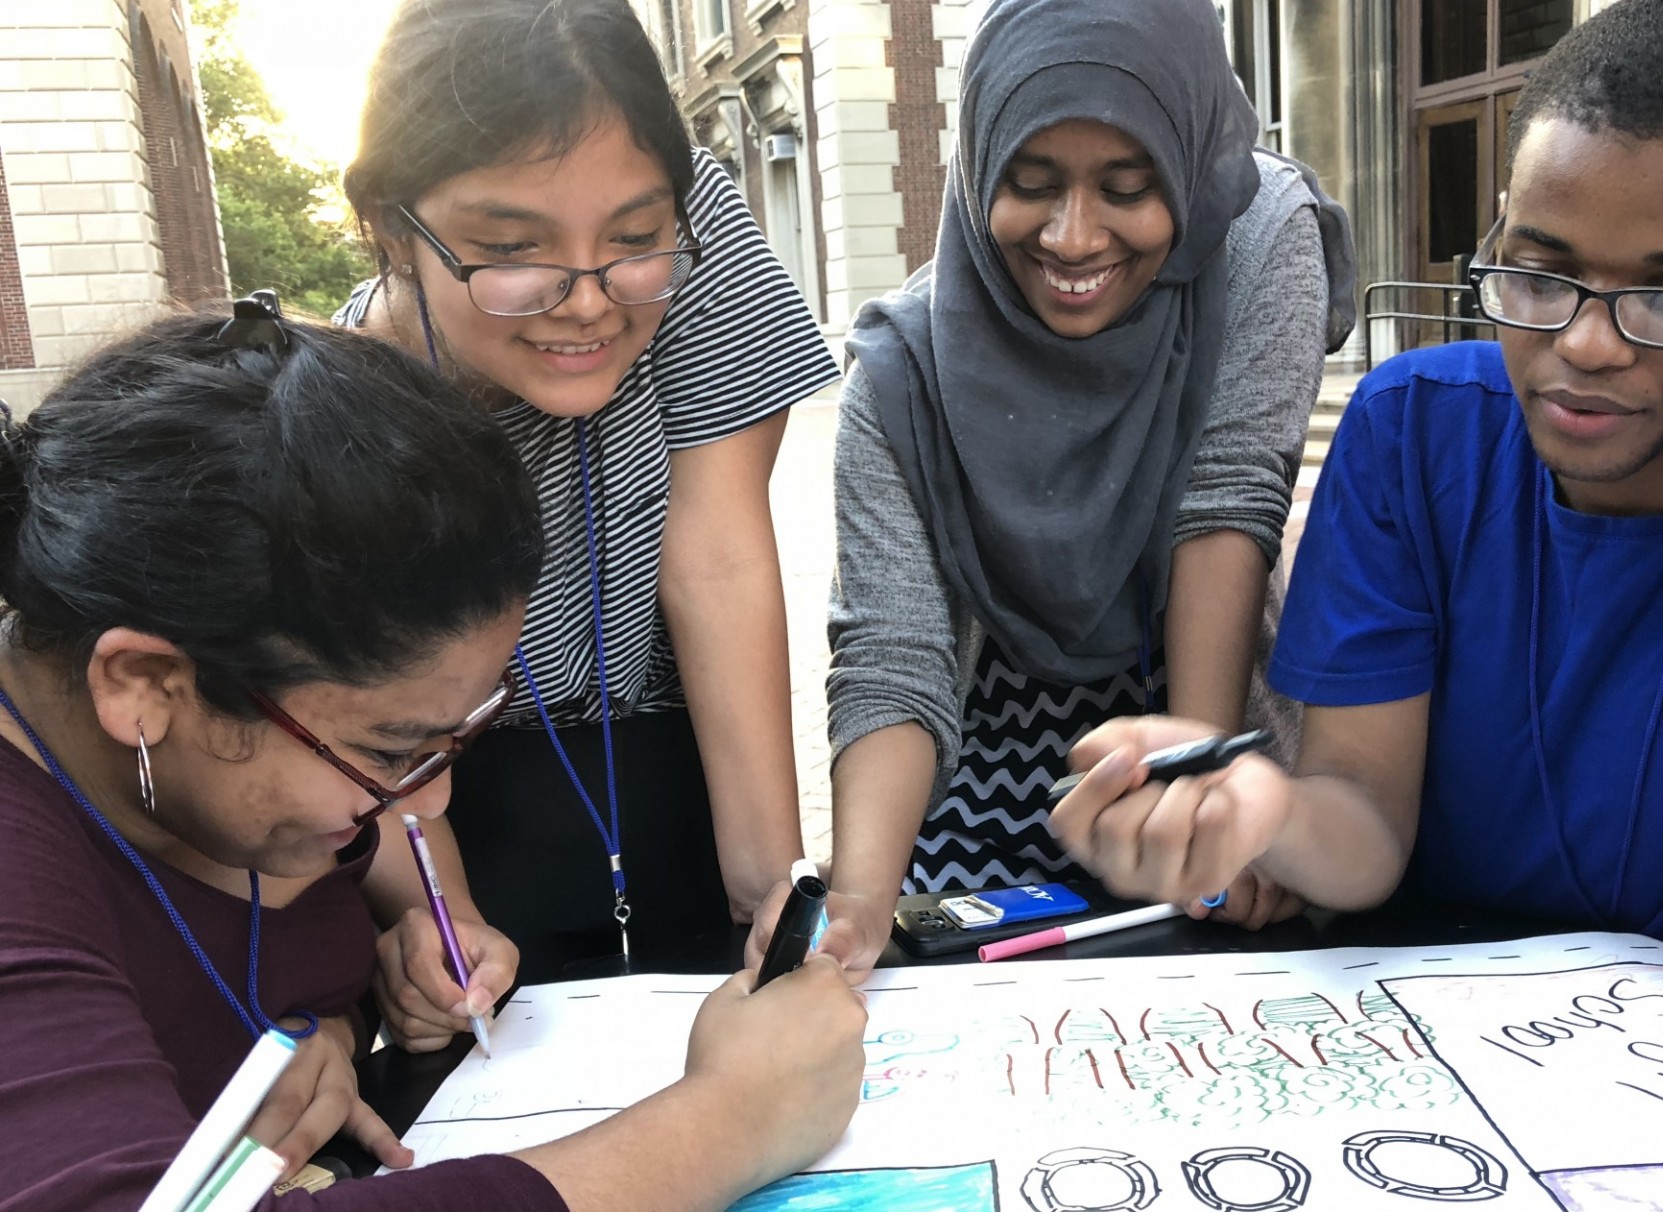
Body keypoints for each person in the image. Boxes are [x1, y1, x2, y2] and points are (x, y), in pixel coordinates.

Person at [1050, 0, 1663, 1045]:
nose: (1589, 345)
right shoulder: (1417, 436)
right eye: (1541, 271)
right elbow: (1366, 826)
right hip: (1456, 1051)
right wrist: (1264, 810)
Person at [0, 302, 866, 1212]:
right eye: (390, 747)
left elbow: (235, 973)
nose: (427, 794)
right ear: (142, 684)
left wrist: (335, 1016)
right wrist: (726, 1121)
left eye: (460, 735)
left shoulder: (202, 774)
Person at [761, 0, 1355, 980]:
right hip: (990, 794)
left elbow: (1228, 504)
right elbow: (893, 653)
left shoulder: (1256, 236)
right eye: (1030, 185)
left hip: (1201, 727)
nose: (1075, 238)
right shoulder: (902, 372)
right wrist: (862, 905)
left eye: (1129, 188)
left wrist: (1198, 809)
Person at [335, 0, 840, 1021]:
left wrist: (770, 892)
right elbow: (363, 728)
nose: (589, 300)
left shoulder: (704, 246)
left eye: (636, 237)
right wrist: (435, 913)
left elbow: (718, 559)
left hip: (666, 743)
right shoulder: (337, 417)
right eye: (514, 248)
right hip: (446, 797)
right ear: (391, 225)